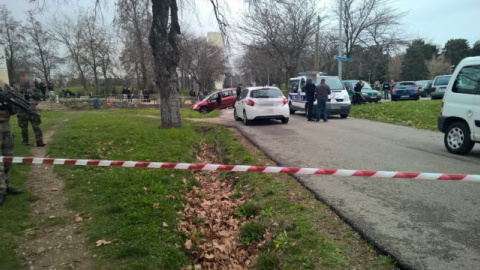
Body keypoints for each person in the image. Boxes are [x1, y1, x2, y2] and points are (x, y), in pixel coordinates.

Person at [0, 82, 24, 206]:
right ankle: (1, 190)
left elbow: (14, 111)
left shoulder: (5, 91)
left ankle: (7, 185)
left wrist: (8, 102)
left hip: (6, 131)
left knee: (8, 160)